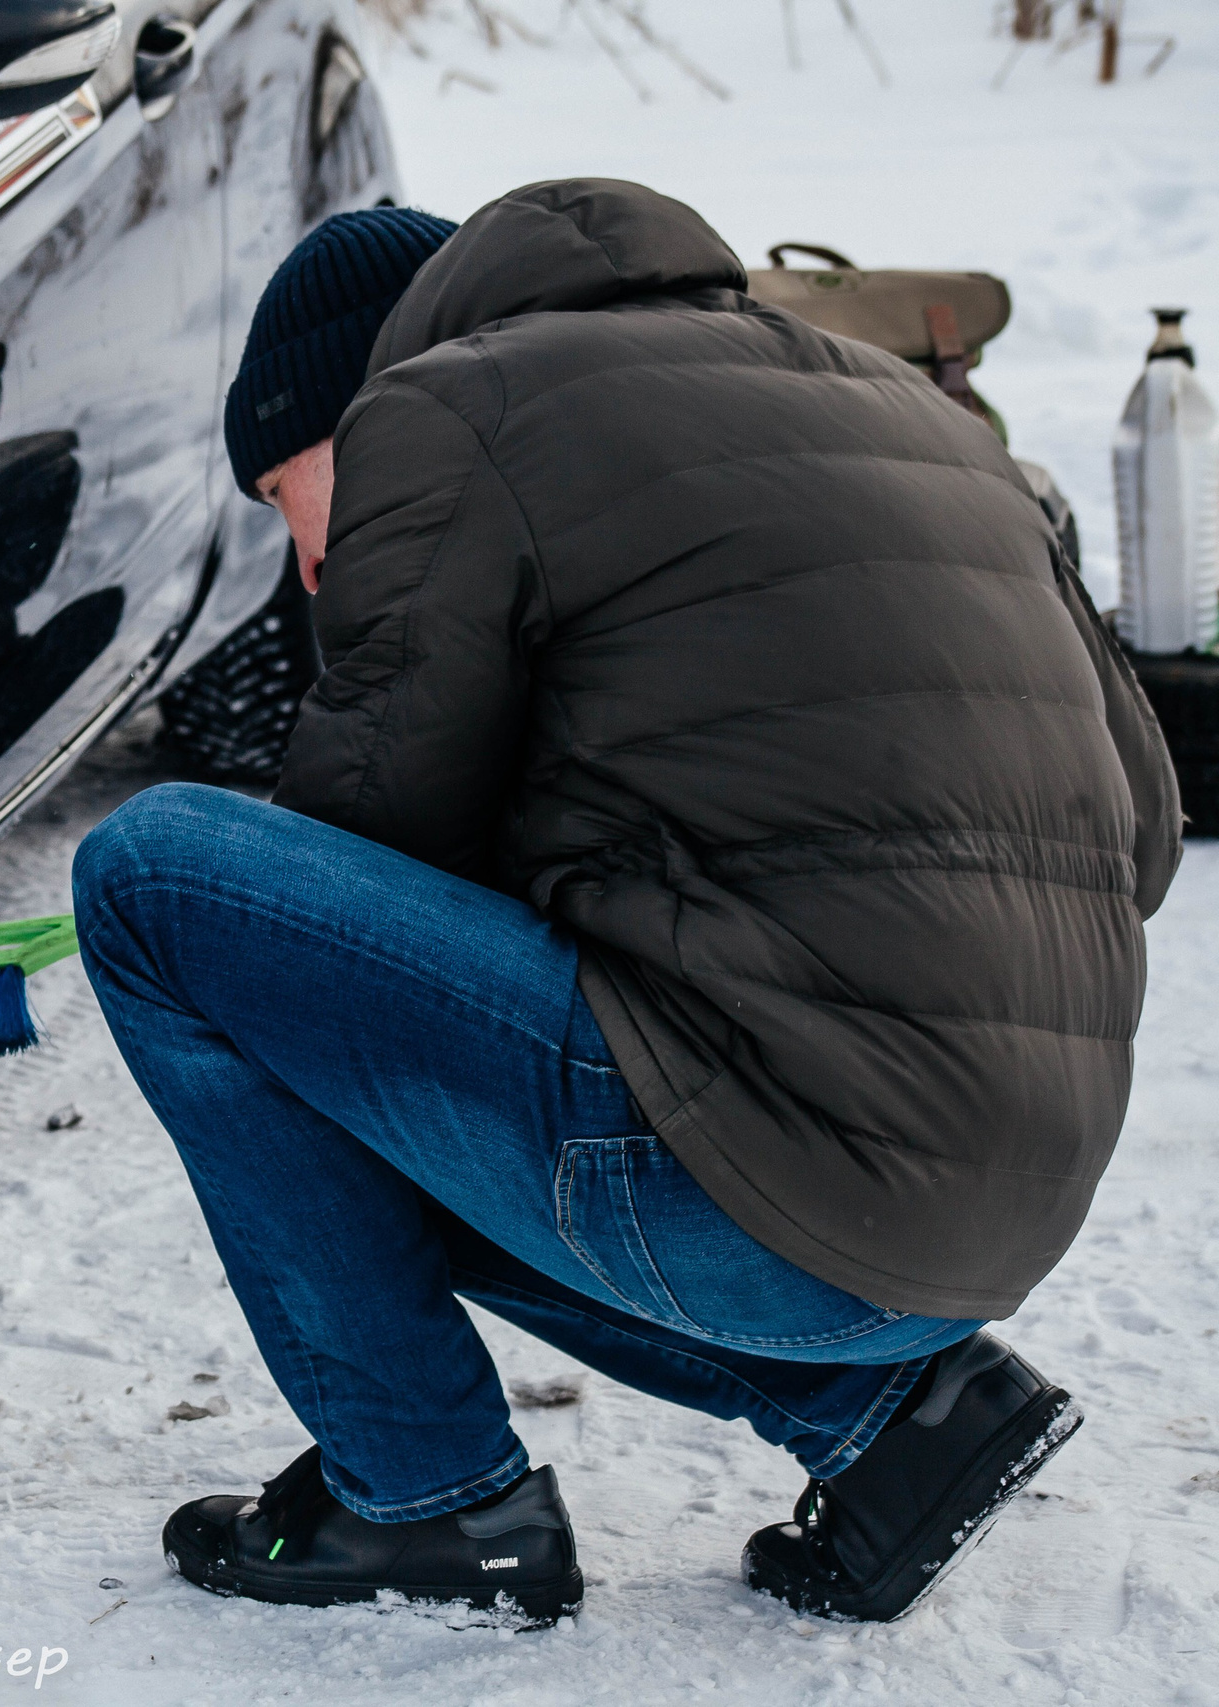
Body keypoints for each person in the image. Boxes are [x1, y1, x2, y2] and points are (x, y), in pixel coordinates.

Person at [73, 181, 1181, 1628]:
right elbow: (1148, 835)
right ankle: (903, 1418)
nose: (306, 565)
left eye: (295, 500)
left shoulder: (452, 415)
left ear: (367, 399)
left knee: (159, 886)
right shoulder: (911, 411)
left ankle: (425, 1498)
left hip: (781, 1211)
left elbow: (361, 860)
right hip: (1001, 1215)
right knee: (457, 1038)